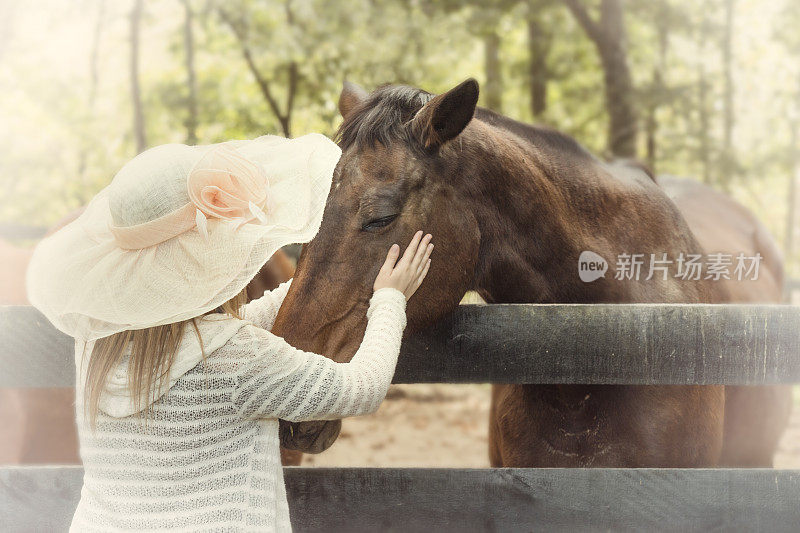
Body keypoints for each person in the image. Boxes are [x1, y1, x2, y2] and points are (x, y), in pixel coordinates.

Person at [26, 133, 433, 532]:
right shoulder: (239, 357)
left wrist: (323, 278)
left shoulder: (96, 344)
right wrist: (389, 300)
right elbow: (360, 388)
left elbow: (205, 342)